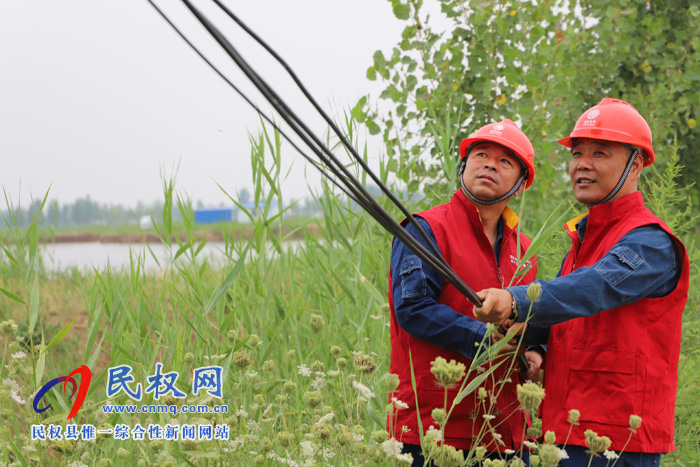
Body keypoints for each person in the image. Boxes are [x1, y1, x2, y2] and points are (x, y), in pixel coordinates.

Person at [474, 98, 689, 466]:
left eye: (600, 153)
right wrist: (530, 342)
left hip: (616, 443)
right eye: (577, 153)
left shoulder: (651, 241)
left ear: (635, 165)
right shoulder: (585, 238)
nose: (582, 165)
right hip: (562, 429)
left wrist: (514, 300)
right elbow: (563, 314)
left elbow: (595, 287)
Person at [387, 119, 542, 465]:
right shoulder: (425, 229)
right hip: (435, 429)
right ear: (464, 167)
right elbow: (412, 308)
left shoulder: (525, 249)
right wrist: (483, 336)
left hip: (507, 430)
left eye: (505, 161)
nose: (489, 164)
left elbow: (531, 319)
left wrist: (537, 351)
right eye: (481, 154)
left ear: (519, 185)